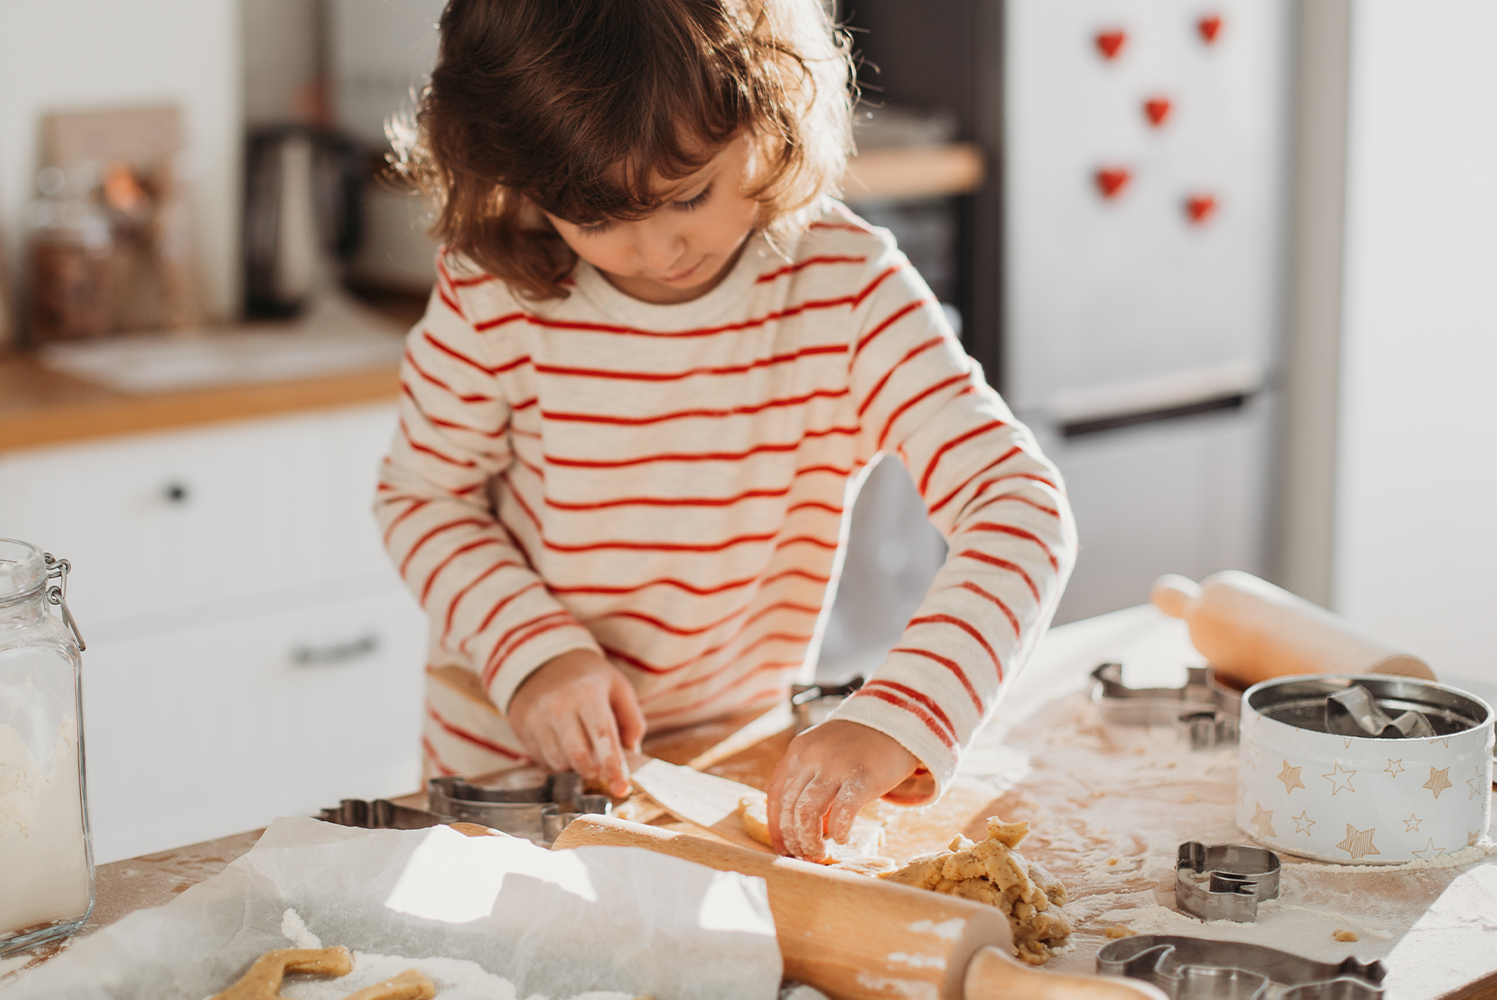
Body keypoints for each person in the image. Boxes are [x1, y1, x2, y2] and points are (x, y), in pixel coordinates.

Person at [374, 0, 1074, 862]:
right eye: (595, 219)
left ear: (769, 99)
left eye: (689, 193)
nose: (659, 250)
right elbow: (422, 498)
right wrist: (535, 655)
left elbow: (1019, 506)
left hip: (725, 766)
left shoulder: (845, 290)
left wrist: (901, 713)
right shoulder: (493, 294)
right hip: (505, 774)